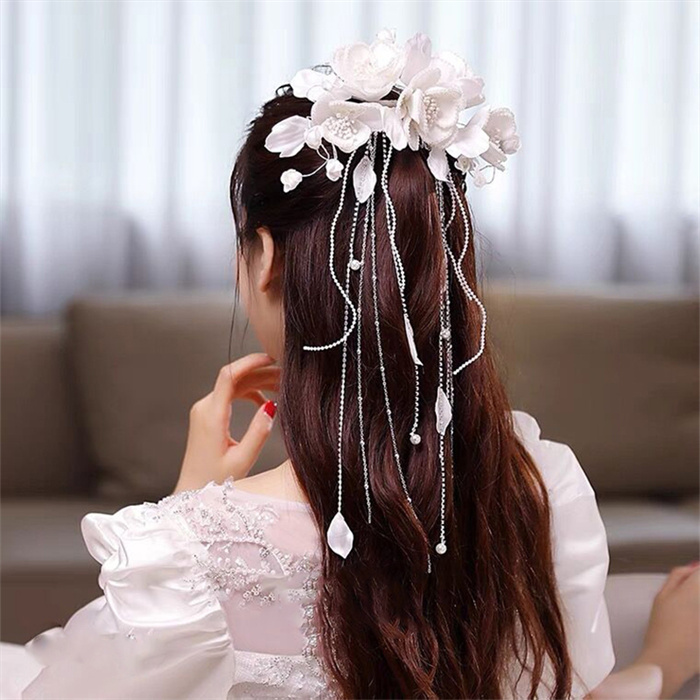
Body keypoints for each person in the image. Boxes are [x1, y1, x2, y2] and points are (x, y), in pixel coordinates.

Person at [1, 29, 698, 700]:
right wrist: (664, 663)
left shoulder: (184, 557)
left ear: (265, 259)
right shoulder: (543, 484)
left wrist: (188, 509)